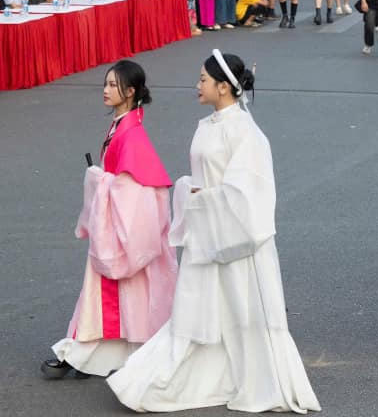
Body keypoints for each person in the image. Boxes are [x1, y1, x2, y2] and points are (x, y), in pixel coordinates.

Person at [107, 51, 322, 414]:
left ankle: (246, 378)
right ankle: (178, 376)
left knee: (241, 313)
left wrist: (201, 197)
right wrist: (191, 191)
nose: (197, 85)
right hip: (204, 235)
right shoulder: (206, 125)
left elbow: (249, 194)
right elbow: (202, 180)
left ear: (223, 87)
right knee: (194, 313)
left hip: (236, 243)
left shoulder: (246, 133)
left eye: (203, 80)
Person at [42, 60, 177, 379]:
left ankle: (82, 354)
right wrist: (105, 183)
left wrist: (99, 182)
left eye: (113, 85)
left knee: (108, 298)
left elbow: (135, 193)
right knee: (126, 301)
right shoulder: (124, 126)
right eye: (106, 83)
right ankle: (88, 355)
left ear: (130, 92)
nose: (105, 90)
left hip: (122, 230)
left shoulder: (131, 135)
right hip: (118, 227)